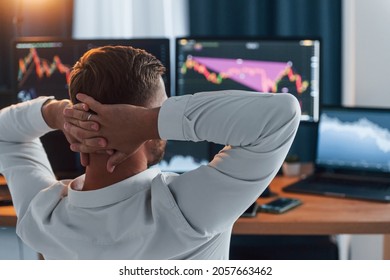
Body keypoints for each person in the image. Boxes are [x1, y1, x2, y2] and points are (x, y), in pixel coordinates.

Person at [0, 45, 300, 260]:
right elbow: (281, 115)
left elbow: (5, 133)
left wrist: (58, 114)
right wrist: (149, 122)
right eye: (161, 107)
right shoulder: (188, 210)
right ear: (134, 118)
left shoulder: (40, 216)